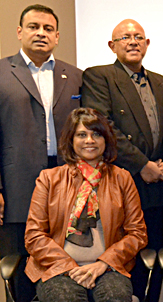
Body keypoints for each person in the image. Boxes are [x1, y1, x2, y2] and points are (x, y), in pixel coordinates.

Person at [81, 19, 163, 301]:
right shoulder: (99, 76)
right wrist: (142, 165)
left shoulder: (161, 82)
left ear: (147, 43)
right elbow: (103, 126)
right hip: (119, 181)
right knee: (121, 253)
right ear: (112, 45)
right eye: (125, 37)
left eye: (138, 37)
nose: (132, 41)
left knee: (152, 252)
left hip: (155, 180)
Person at [0, 4, 82, 301]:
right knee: (21, 262)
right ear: (20, 32)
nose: (41, 33)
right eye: (33, 27)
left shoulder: (74, 76)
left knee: (63, 256)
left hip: (67, 182)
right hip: (16, 184)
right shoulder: (1, 72)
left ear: (57, 36)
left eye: (48, 29)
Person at [24, 108, 148, 302]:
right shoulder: (49, 179)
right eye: (82, 135)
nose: (89, 140)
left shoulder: (122, 178)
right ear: (71, 141)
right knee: (65, 297)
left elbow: (137, 233)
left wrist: (104, 263)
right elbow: (34, 236)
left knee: (115, 296)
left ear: (106, 140)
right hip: (57, 268)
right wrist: (69, 266)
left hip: (108, 268)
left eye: (96, 134)